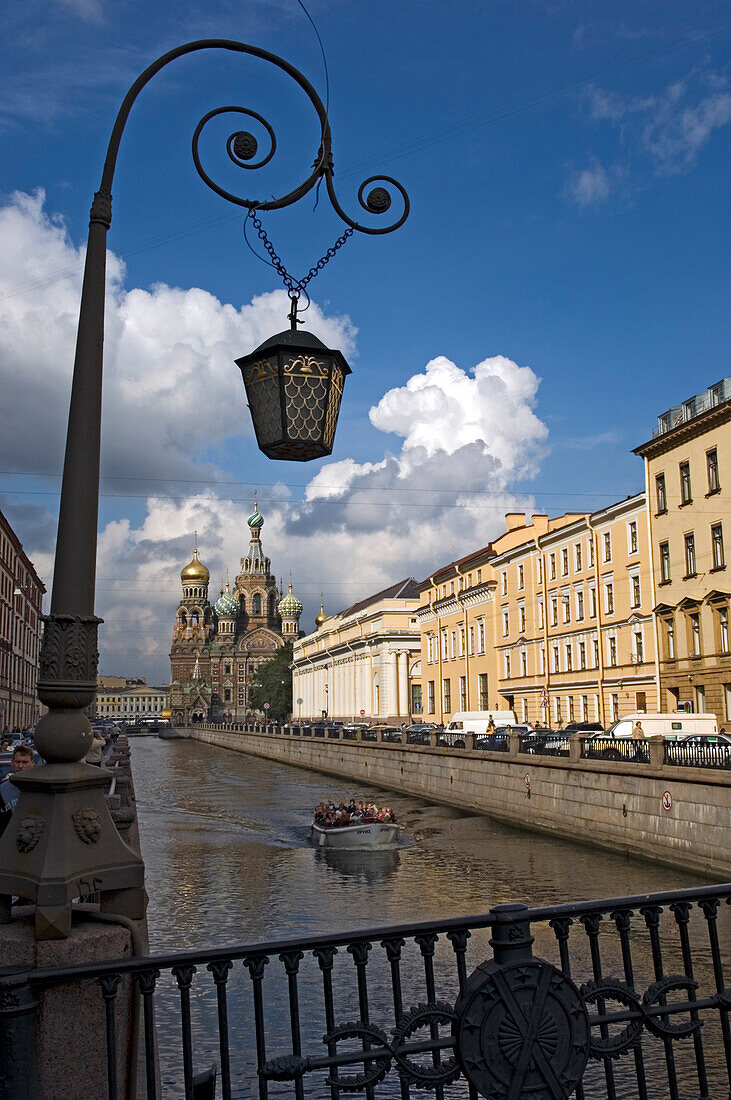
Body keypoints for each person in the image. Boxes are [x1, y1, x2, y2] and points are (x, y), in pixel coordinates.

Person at [0, 744, 35, 836]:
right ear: (12, 763)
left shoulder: (41, 788)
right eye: (17, 762)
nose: (20, 766)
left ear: (32, 763)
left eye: (25, 762)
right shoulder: (2, 789)